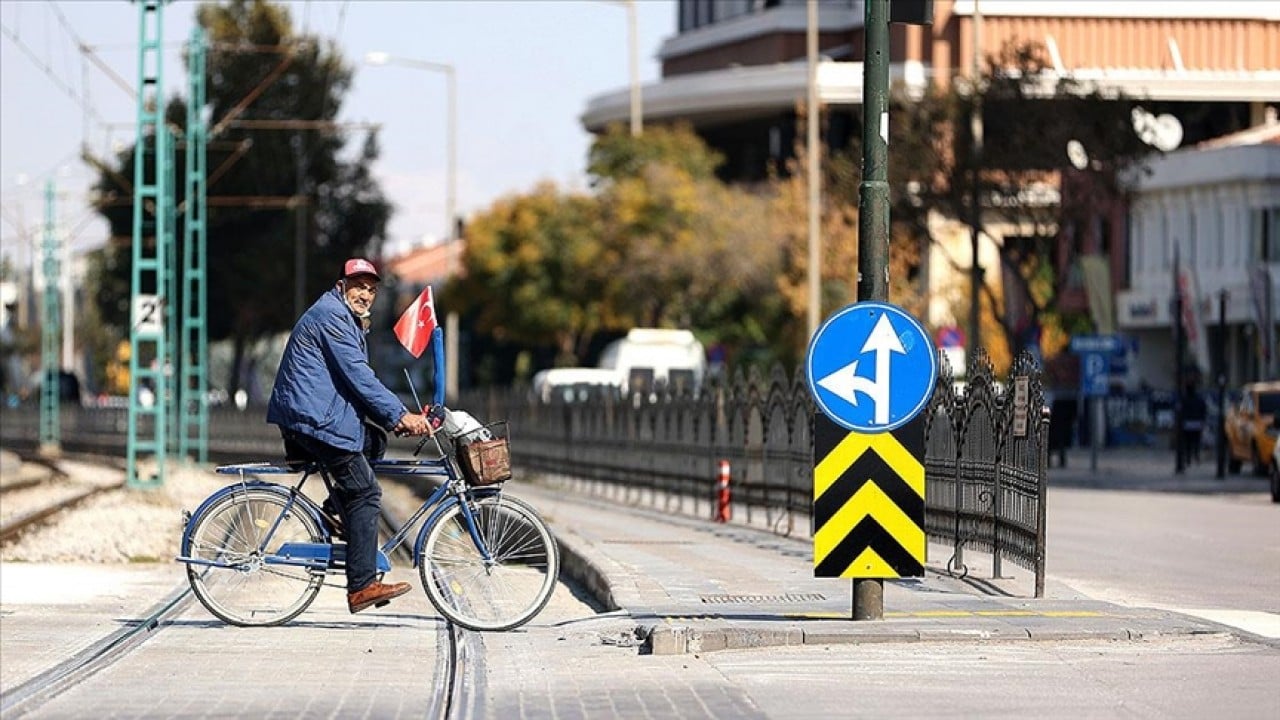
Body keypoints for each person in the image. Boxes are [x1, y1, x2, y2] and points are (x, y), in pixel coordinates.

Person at [267, 258, 432, 614]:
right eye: (359, 286)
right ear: (341, 285)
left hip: (318, 414)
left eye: (372, 289)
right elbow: (359, 378)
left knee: (374, 442)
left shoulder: (346, 319)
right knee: (367, 492)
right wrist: (400, 415)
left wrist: (392, 420)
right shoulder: (331, 317)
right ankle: (361, 586)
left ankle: (338, 512)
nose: (366, 294)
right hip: (312, 420)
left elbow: (357, 382)